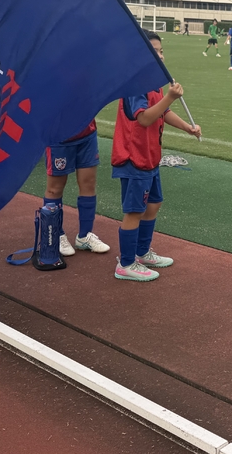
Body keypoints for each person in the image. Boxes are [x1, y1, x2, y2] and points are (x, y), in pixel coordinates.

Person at [110, 31, 201, 282]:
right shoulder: (134, 84)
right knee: (134, 211)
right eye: (154, 51)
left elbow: (163, 112)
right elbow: (144, 118)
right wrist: (170, 96)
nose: (160, 56)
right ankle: (126, 263)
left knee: (153, 204)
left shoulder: (153, 82)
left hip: (150, 156)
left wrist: (187, 128)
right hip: (134, 157)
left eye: (161, 51)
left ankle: (142, 252)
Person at [44, 119, 109, 257]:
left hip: (87, 132)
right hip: (59, 136)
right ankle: (55, 235)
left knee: (88, 183)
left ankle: (85, 236)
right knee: (55, 188)